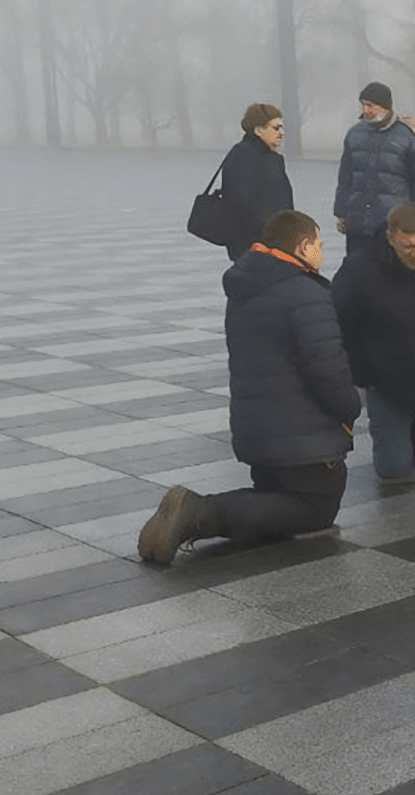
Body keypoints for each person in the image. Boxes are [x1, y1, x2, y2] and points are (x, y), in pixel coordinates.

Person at [137, 211, 359, 564]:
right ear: (303, 246)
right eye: (318, 243)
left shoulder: (245, 286)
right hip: (302, 441)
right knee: (315, 510)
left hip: (257, 433)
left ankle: (194, 513)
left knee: (274, 498)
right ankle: (197, 513)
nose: (320, 251)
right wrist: (350, 410)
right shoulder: (305, 292)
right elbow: (327, 367)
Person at [332, 203, 415, 484]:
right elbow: (341, 323)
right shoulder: (359, 268)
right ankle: (406, 434)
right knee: (393, 471)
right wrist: (363, 373)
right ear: (390, 239)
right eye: (408, 247)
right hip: (387, 383)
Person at [334, 81, 415, 256]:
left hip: (393, 226)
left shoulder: (409, 137)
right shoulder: (354, 134)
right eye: (363, 105)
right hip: (358, 224)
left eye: (370, 105)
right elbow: (345, 179)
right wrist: (341, 213)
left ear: (385, 107)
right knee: (356, 275)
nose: (365, 110)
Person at [219, 104, 294, 260]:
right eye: (276, 128)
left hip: (277, 244)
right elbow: (242, 204)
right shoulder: (242, 156)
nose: (282, 133)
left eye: (282, 128)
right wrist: (271, 236)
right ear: (258, 130)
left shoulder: (273, 158)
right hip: (253, 246)